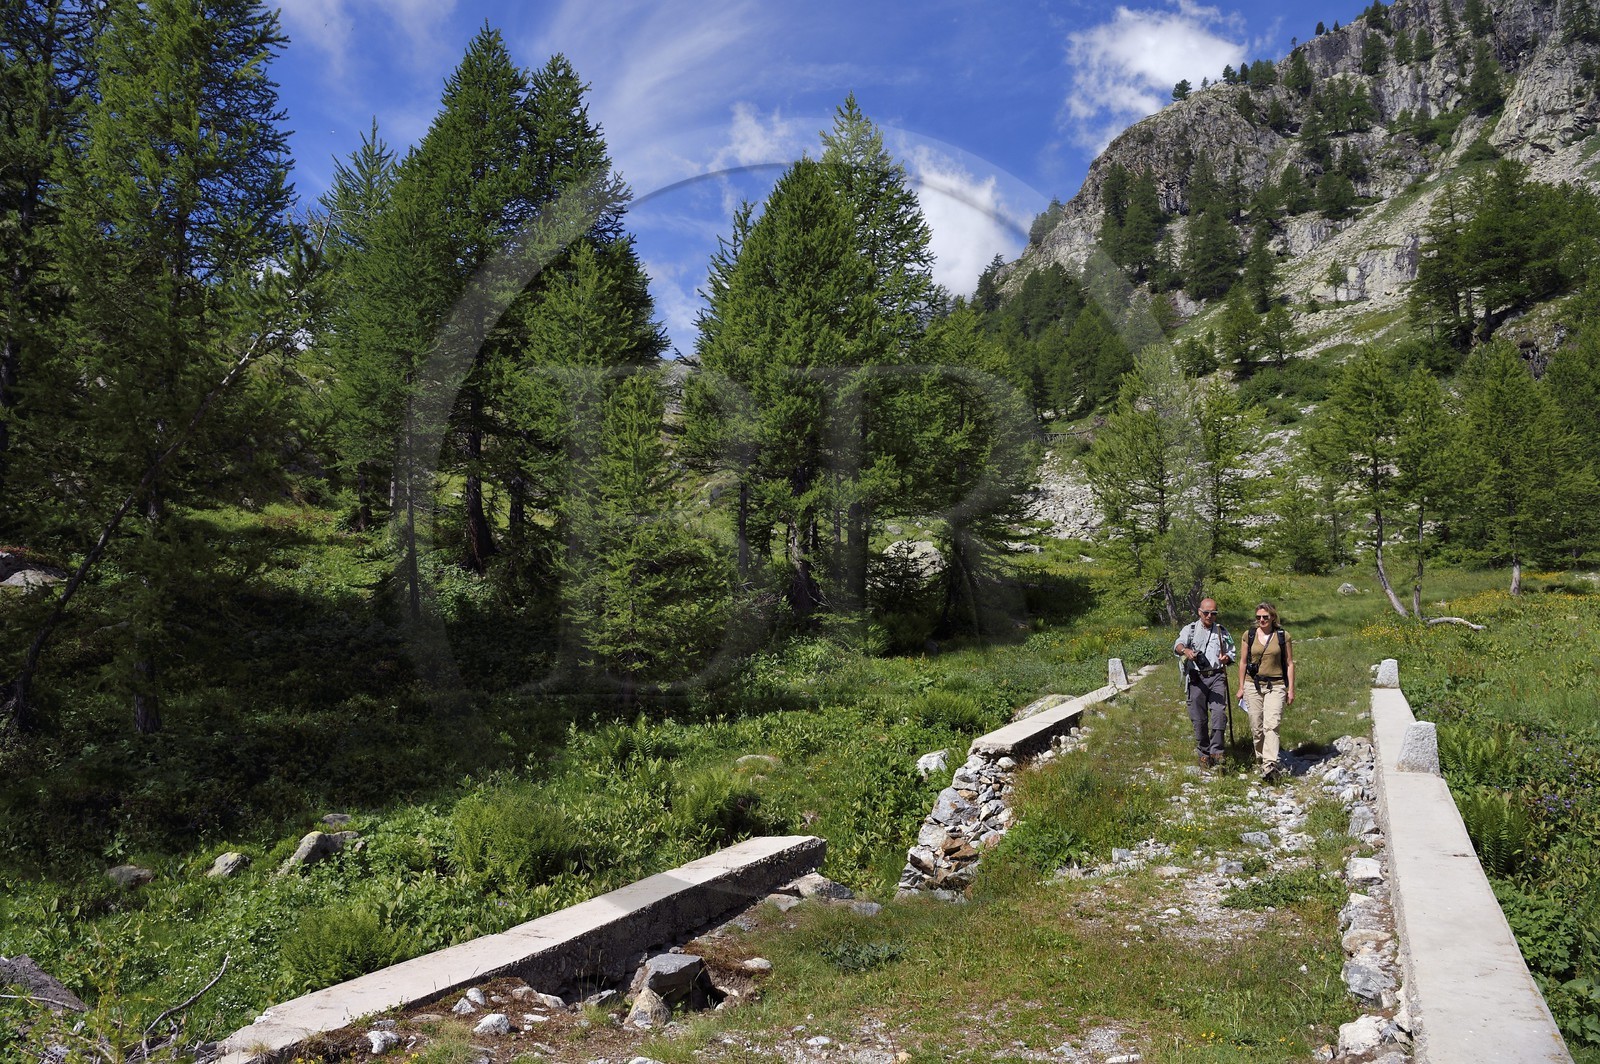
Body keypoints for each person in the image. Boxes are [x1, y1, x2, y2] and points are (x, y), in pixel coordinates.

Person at [1173, 598, 1235, 770]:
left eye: (1213, 613)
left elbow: (1232, 651)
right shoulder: (1190, 629)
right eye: (1206, 612)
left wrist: (1227, 658)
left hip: (1216, 676)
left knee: (1218, 714)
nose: (1209, 616)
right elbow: (1177, 644)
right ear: (1199, 612)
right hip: (1196, 678)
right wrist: (1185, 650)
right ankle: (1203, 753)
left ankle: (1217, 752)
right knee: (1199, 719)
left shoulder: (1222, 631)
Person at [1238, 601, 1295, 782]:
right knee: (1257, 726)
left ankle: (1270, 764)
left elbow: (1289, 663)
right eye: (1258, 617)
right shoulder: (1249, 635)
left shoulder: (1282, 636)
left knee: (1272, 724)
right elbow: (1243, 662)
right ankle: (1261, 758)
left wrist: (1290, 689)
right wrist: (1240, 687)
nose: (1261, 620)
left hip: (1276, 685)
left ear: (1273, 617)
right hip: (1252, 684)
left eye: (1265, 617)